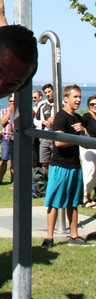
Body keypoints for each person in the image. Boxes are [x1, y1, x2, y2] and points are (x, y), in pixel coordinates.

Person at [41, 85, 93, 249]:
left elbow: (87, 138)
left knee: (73, 202)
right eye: (75, 97)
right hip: (60, 165)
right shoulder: (61, 116)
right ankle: (49, 238)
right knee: (54, 202)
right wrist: (76, 138)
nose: (78, 100)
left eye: (79, 97)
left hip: (74, 165)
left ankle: (74, 235)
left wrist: (83, 132)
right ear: (66, 98)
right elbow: (59, 141)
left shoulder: (78, 117)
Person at [81, 94, 96, 208]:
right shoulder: (86, 116)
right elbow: (80, 129)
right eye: (92, 104)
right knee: (89, 173)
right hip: (88, 149)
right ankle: (85, 197)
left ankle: (93, 198)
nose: (94, 106)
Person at [37, 83, 56, 176]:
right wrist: (43, 122)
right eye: (46, 93)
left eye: (49, 91)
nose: (48, 94)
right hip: (45, 136)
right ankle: (45, 182)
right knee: (44, 162)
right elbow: (35, 119)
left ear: (53, 91)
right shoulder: (42, 105)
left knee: (57, 161)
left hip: (57, 136)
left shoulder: (61, 104)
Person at [0, 94, 14, 185]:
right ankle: (0, 179)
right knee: (4, 159)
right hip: (6, 137)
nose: (12, 103)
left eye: (13, 101)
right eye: (10, 101)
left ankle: (13, 179)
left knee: (14, 160)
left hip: (15, 138)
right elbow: (3, 122)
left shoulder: (18, 111)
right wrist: (9, 112)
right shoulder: (4, 110)